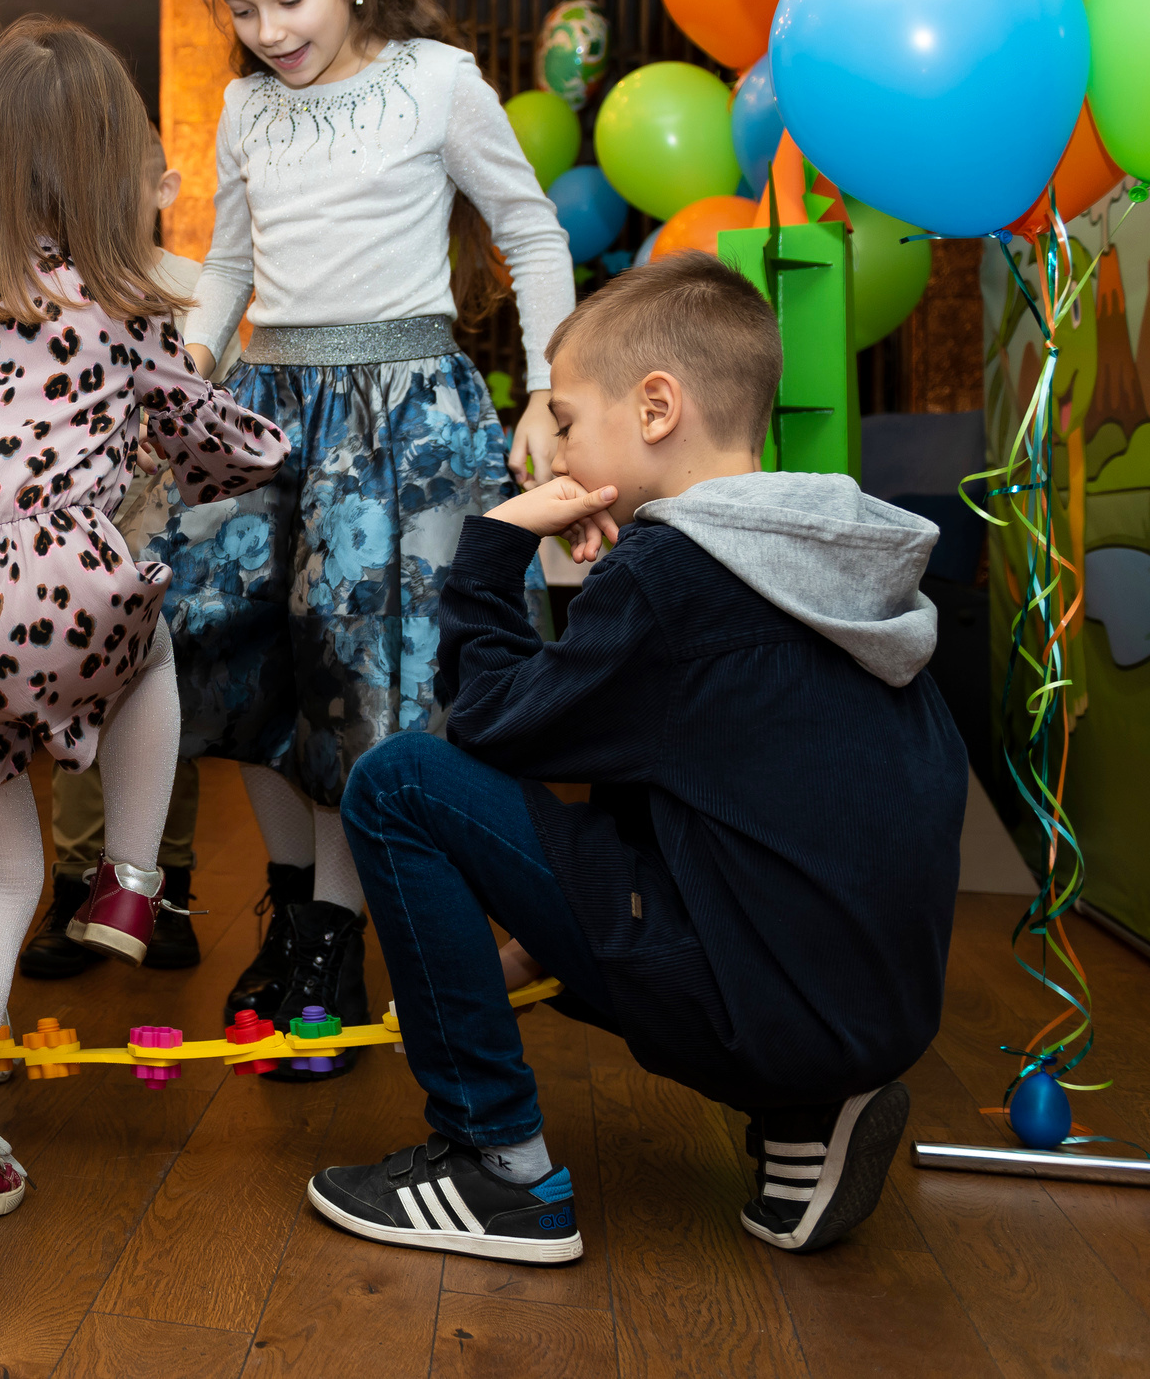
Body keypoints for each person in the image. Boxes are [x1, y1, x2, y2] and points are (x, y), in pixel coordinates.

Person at [309, 252, 965, 1263]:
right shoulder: (827, 560)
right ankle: (802, 1115)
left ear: (656, 407)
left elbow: (490, 723)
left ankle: (494, 1166)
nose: (556, 453)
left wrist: (494, 548)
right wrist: (530, 947)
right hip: (860, 1008)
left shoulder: (673, 576)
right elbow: (703, 786)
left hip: (764, 1013)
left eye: (567, 420)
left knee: (398, 781)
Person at [0, 19, 288, 1221]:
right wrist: (277, 447)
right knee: (146, 637)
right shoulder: (126, 302)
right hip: (50, 584)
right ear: (109, 170)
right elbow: (207, 438)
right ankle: (133, 879)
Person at [148, 0, 576, 1075]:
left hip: (400, 418)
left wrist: (549, 387)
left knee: (359, 685)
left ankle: (333, 942)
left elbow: (530, 229)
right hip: (269, 406)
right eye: (241, 9)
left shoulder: (436, 81)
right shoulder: (245, 108)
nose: (267, 29)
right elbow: (230, 265)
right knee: (233, 659)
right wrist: (187, 366)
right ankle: (295, 911)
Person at [22, 130, 229, 978]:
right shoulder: (54, 290)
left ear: (162, 189)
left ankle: (165, 887)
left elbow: (222, 409)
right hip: (87, 535)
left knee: (166, 714)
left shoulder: (198, 290)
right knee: (78, 704)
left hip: (178, 532)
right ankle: (77, 885)